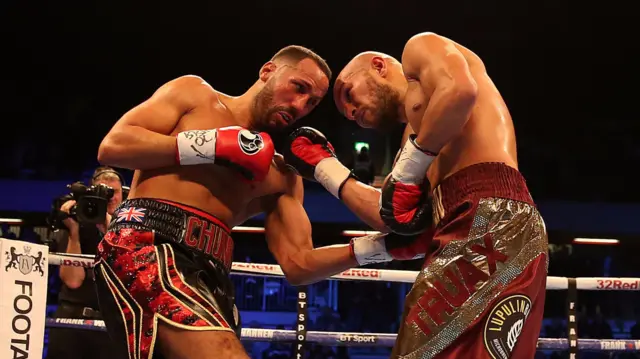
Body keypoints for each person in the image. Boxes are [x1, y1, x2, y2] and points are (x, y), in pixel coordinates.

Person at [94, 45, 422, 359]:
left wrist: (383, 248)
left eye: (311, 103)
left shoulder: (281, 175)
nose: (299, 105)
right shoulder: (196, 95)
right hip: (148, 245)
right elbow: (114, 146)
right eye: (298, 87)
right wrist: (214, 145)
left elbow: (298, 264)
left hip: (213, 274)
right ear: (268, 71)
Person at [283, 32, 548, 358]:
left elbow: (461, 92)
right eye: (346, 113)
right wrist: (326, 168)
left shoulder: (419, 48)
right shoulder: (415, 137)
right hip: (475, 223)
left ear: (378, 66)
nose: (351, 111)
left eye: (348, 94)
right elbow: (391, 215)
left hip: (490, 216)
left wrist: (412, 164)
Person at [47, 166, 124, 359]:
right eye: (103, 192)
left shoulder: (132, 227)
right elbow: (73, 281)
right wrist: (74, 232)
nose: (110, 198)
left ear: (123, 194)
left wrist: (108, 226)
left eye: (113, 192)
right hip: (73, 321)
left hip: (112, 324)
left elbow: (125, 270)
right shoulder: (76, 221)